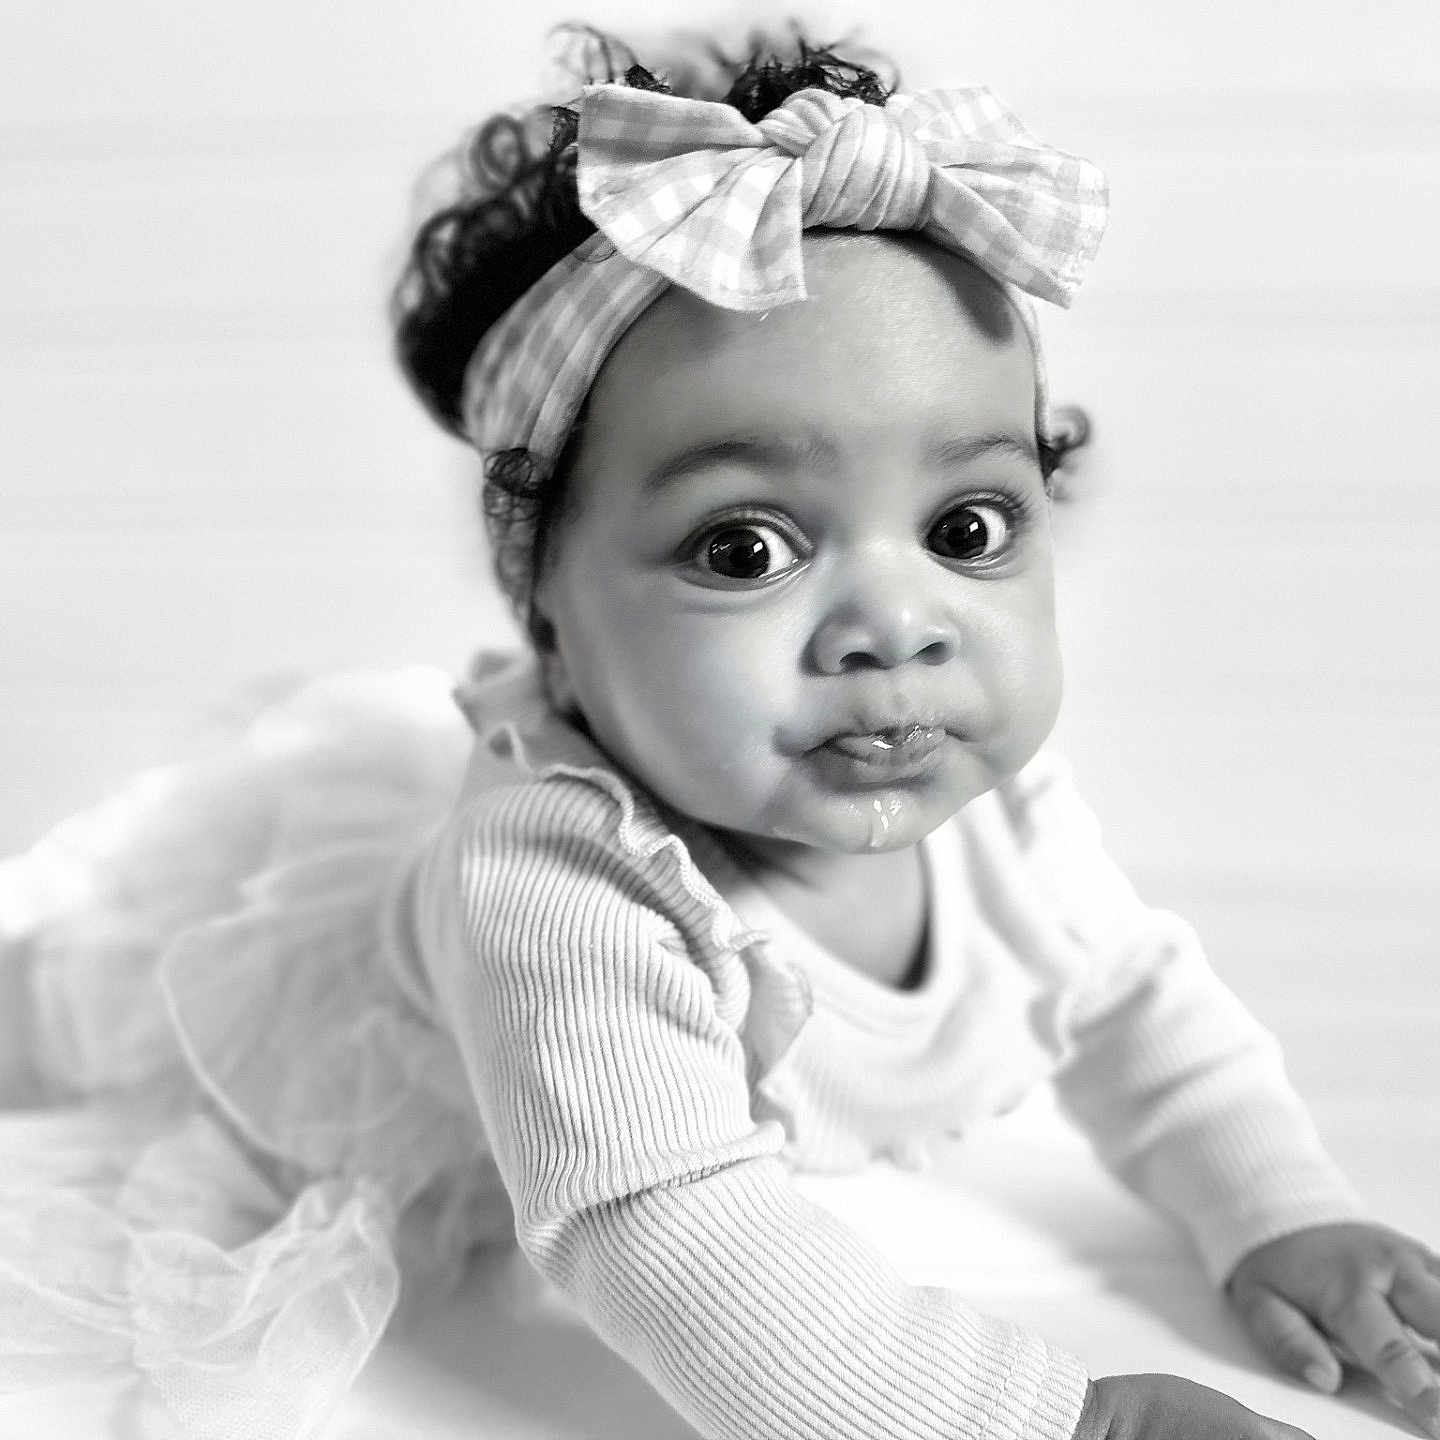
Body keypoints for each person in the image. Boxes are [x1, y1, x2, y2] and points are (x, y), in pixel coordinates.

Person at [1, 24, 1437, 1440]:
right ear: (542, 601)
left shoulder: (997, 808)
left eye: (968, 527)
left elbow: (1133, 1007)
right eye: (745, 549)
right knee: (58, 1011)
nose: (896, 626)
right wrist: (1053, 1417)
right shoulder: (559, 878)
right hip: (351, 1068)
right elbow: (668, 1223)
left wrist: (1277, 1213)